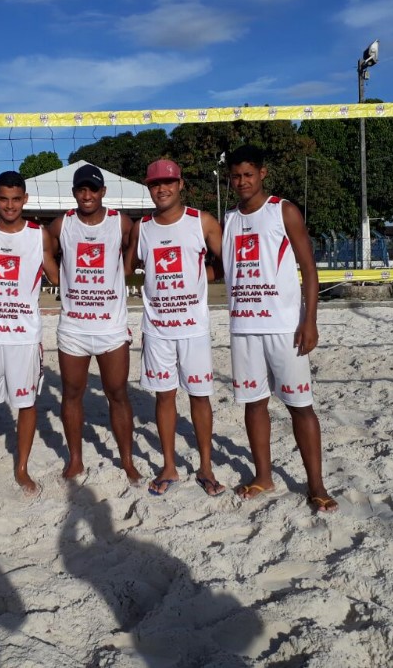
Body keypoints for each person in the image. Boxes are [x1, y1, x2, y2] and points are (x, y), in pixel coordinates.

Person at [221, 145, 337, 512]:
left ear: (262, 174)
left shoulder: (282, 210)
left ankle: (316, 485)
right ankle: (263, 476)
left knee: (300, 406)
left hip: (284, 327)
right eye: (236, 176)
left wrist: (310, 320)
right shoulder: (229, 218)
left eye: (248, 174)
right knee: (254, 404)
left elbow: (309, 268)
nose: (242, 181)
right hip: (244, 326)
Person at [124, 159, 226, 497]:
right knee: (164, 396)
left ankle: (206, 467)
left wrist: (201, 278)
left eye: (168, 182)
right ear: (149, 188)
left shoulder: (202, 221)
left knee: (200, 396)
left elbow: (227, 263)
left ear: (180, 184)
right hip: (157, 328)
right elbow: (126, 268)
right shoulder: (142, 228)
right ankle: (169, 466)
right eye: (155, 184)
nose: (162, 189)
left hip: (193, 328)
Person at [0, 171, 58, 495]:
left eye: (16, 199)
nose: (9, 205)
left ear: (25, 200)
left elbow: (56, 276)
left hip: (24, 335)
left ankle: (22, 469)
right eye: (3, 199)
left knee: (26, 404)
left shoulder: (38, 234)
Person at [48, 163, 140, 483]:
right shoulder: (61, 224)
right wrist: (58, 279)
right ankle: (75, 460)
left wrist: (123, 272)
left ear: (103, 191)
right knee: (72, 393)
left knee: (118, 393)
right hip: (74, 327)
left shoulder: (121, 222)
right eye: (81, 189)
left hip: (111, 327)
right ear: (74, 192)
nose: (87, 195)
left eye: (93, 189)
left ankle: (127, 460)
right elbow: (43, 252)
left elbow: (133, 256)